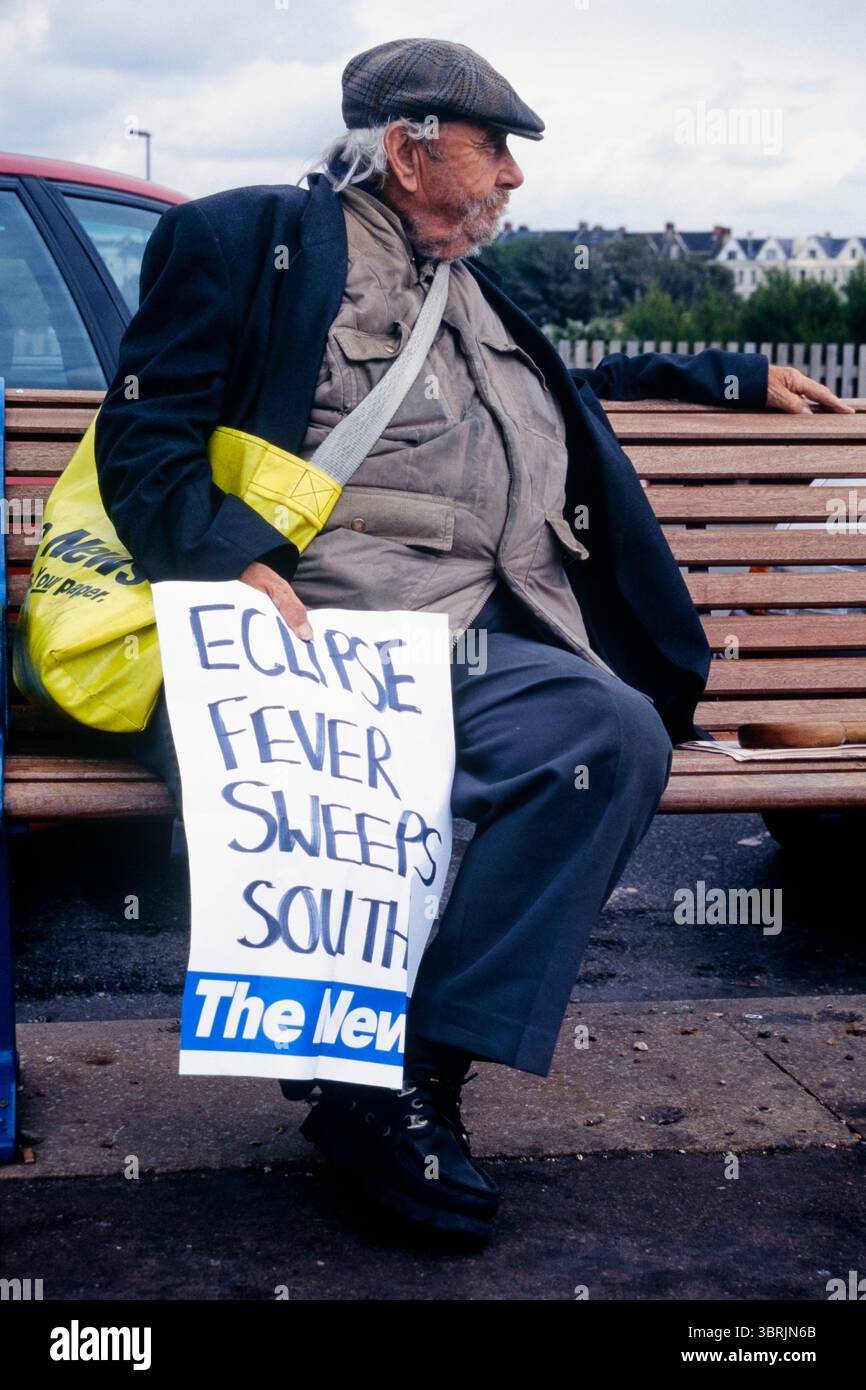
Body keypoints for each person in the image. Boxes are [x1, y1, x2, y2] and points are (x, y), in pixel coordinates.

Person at [93, 37, 852, 1239]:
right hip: (315, 637)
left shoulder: (477, 281)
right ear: (406, 148)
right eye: (493, 147)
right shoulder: (246, 243)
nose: (511, 177)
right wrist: (221, 562)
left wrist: (726, 375)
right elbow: (143, 440)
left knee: (608, 731)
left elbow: (578, 387)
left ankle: (414, 1075)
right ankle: (364, 1082)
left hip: (476, 641)